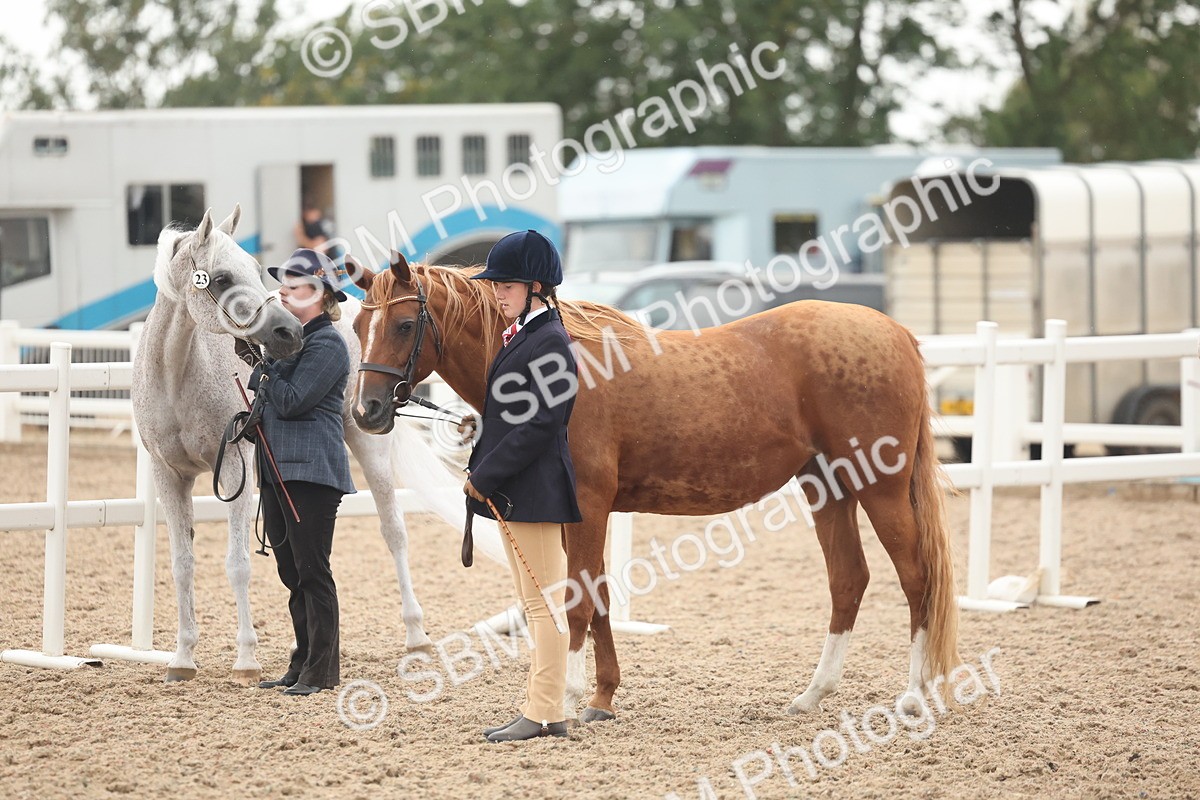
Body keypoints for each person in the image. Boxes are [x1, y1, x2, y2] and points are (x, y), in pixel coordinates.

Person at [462, 230, 582, 742]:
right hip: (518, 490)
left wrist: (484, 475)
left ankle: (544, 711)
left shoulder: (551, 339)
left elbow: (543, 424)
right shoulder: (526, 335)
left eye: (505, 285)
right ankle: (546, 709)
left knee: (543, 605)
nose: (496, 293)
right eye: (496, 285)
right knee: (537, 602)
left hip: (533, 490)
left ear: (536, 286)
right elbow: (515, 415)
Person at [236, 247, 355, 697]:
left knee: (312, 571)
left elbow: (289, 400)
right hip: (279, 470)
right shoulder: (290, 342)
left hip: (310, 473)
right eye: (282, 287)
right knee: (292, 571)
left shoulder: (327, 343)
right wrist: (263, 363)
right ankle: (302, 661)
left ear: (320, 295)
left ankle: (321, 670)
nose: (282, 295)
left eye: (293, 288)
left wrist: (261, 366)